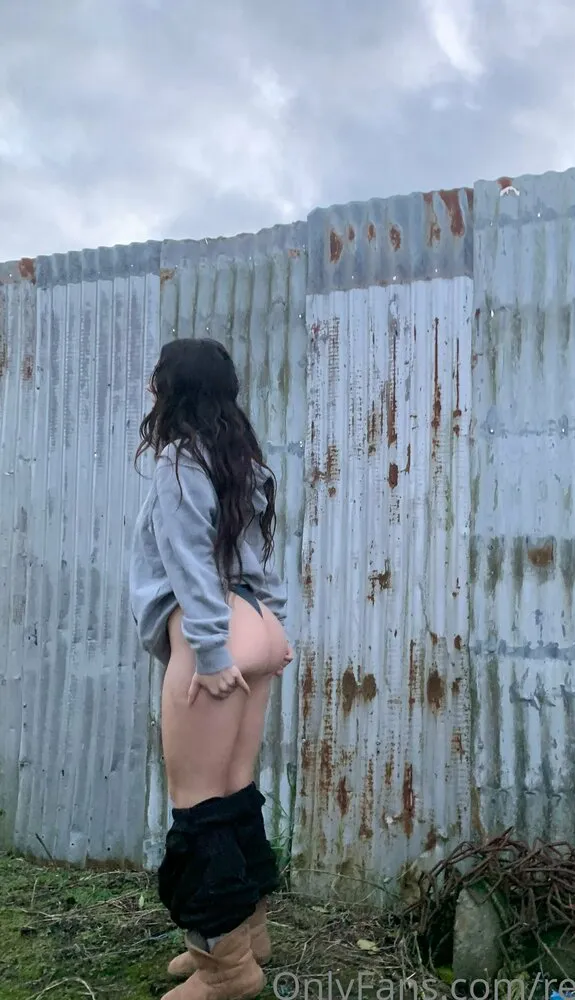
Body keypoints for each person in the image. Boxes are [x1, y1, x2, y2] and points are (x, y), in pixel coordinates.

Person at [129, 337, 293, 1000]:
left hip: (214, 635)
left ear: (170, 390)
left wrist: (213, 650)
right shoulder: (242, 461)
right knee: (235, 789)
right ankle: (247, 935)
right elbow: (259, 557)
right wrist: (274, 627)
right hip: (254, 620)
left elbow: (189, 561)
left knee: (197, 806)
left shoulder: (177, 462)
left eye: (156, 379)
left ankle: (226, 971)